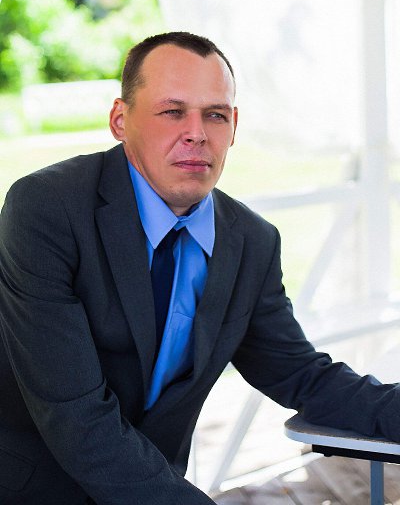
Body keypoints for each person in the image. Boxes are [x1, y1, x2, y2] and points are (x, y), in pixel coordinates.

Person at [0, 31, 399, 505]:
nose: (197, 133)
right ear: (120, 120)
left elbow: (301, 376)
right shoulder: (47, 208)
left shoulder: (251, 241)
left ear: (234, 126)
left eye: (215, 114)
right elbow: (75, 415)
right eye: (173, 111)